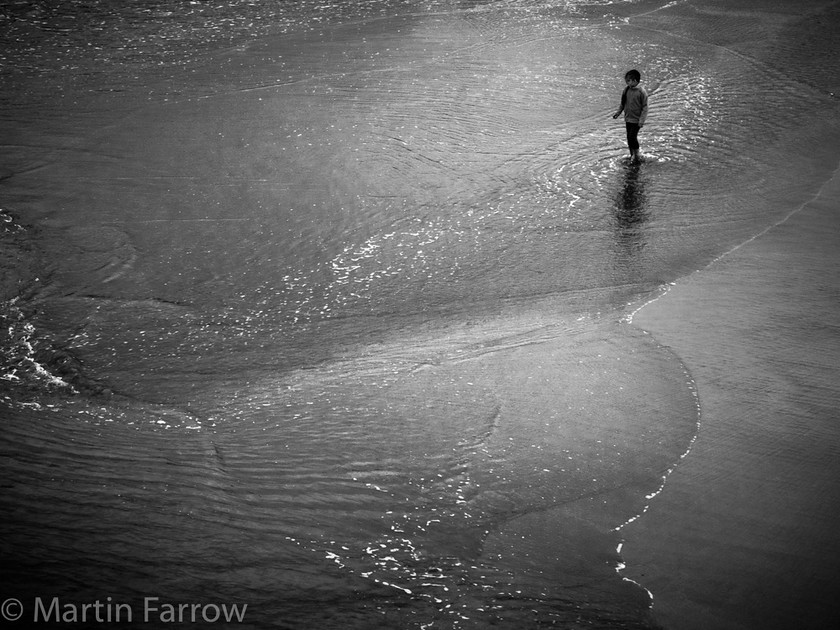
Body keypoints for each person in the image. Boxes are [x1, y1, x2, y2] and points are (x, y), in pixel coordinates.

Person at [612, 69, 648, 161]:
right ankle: (632, 154)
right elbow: (622, 103)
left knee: (632, 137)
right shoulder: (626, 90)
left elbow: (645, 107)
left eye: (629, 81)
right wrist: (618, 113)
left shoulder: (641, 92)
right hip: (628, 119)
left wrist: (641, 121)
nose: (627, 83)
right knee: (629, 138)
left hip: (637, 120)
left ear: (635, 80)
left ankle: (636, 155)